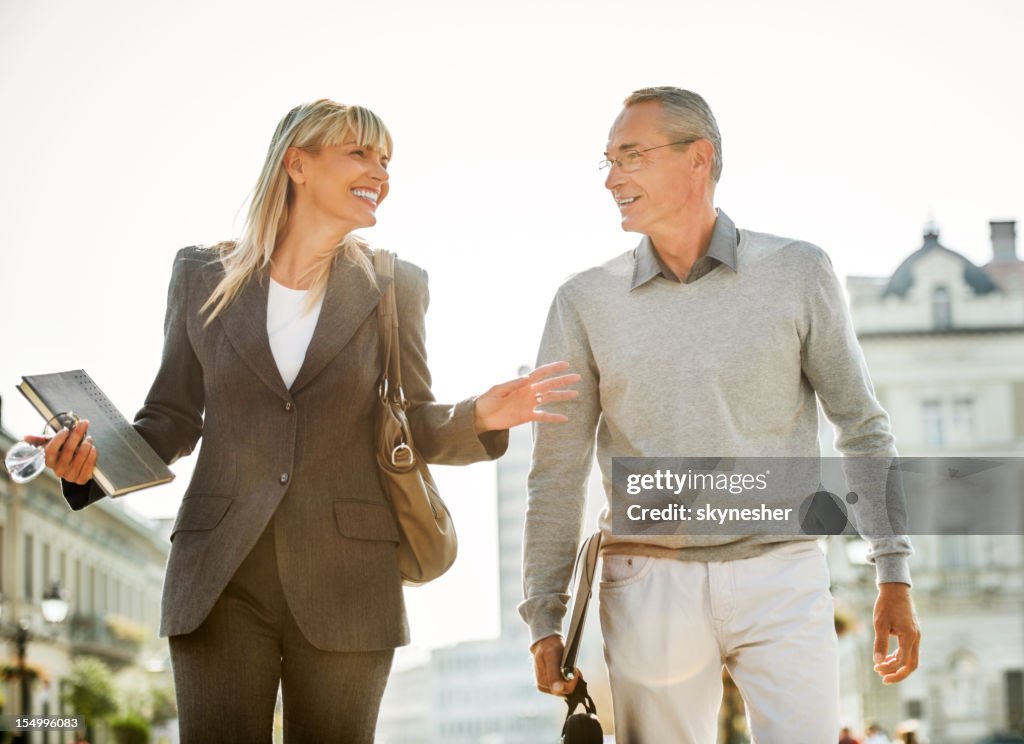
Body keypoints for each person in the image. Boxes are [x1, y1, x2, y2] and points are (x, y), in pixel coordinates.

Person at [27, 99, 579, 743]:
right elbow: (171, 416)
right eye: (360, 153)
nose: (380, 171)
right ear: (298, 164)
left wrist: (479, 415)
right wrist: (90, 467)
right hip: (219, 574)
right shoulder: (203, 274)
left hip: (350, 577)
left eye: (386, 159)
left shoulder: (393, 284)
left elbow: (415, 422)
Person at [521, 87, 921, 742]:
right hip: (646, 581)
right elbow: (555, 472)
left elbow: (861, 425)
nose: (612, 179)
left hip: (782, 572)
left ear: (697, 158)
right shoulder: (582, 301)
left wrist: (893, 571)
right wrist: (545, 615)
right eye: (608, 162)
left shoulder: (798, 272)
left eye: (631, 157)